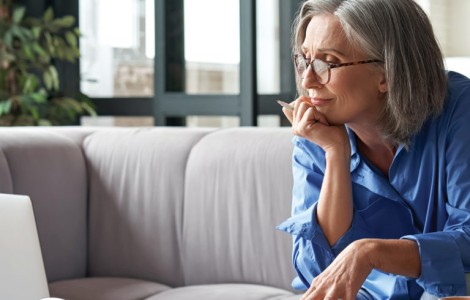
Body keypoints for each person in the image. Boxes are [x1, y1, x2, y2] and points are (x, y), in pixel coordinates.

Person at [276, 0, 470, 299]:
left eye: (328, 62)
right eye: (304, 60)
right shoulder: (316, 132)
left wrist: (371, 252)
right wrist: (336, 154)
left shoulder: (460, 110)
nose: (307, 79)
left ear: (387, 72)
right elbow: (318, 272)